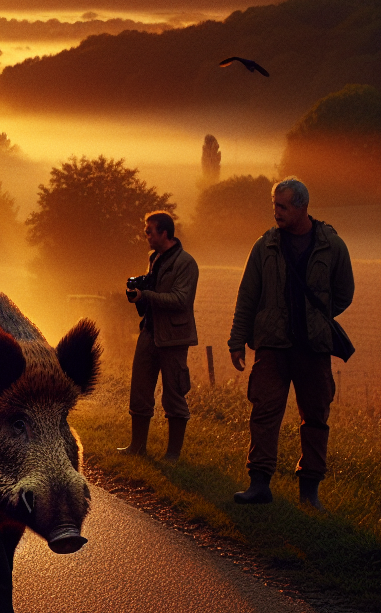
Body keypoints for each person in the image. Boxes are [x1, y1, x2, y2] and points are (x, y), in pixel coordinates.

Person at [228, 178, 354, 510]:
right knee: (264, 413)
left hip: (313, 349)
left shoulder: (333, 245)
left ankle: (309, 491)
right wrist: (237, 340)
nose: (276, 212)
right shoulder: (264, 246)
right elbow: (247, 296)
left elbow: (344, 294)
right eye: (275, 205)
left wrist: (316, 317)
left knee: (315, 417)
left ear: (302, 207)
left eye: (283, 206)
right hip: (272, 346)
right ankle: (259, 485)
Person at [118, 211, 199, 463]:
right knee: (140, 390)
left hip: (174, 337)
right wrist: (140, 291)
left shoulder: (186, 263)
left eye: (149, 231)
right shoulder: (154, 258)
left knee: (174, 394)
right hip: (150, 331)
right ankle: (137, 447)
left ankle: (172, 454)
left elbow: (180, 299)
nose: (146, 236)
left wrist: (146, 295)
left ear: (164, 232)